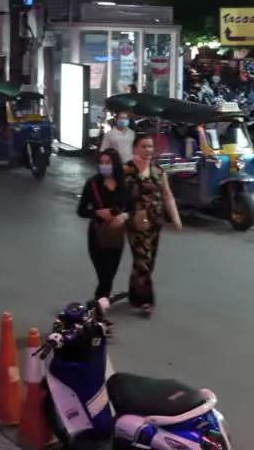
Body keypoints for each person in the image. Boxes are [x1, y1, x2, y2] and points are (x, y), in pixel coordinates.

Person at [123, 133, 182, 317]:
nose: (148, 150)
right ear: (135, 148)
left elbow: (167, 195)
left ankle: (134, 293)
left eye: (150, 147)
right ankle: (146, 301)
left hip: (155, 222)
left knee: (148, 261)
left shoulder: (158, 171)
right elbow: (117, 196)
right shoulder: (127, 170)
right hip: (136, 223)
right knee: (143, 260)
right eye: (143, 146)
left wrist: (175, 217)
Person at [76, 148, 129, 334]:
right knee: (104, 276)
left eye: (108, 162)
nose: (104, 166)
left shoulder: (124, 184)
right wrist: (98, 212)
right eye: (102, 162)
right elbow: (81, 210)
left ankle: (95, 308)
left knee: (110, 277)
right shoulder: (92, 184)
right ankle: (99, 317)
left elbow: (130, 206)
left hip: (116, 237)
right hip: (97, 236)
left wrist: (123, 216)